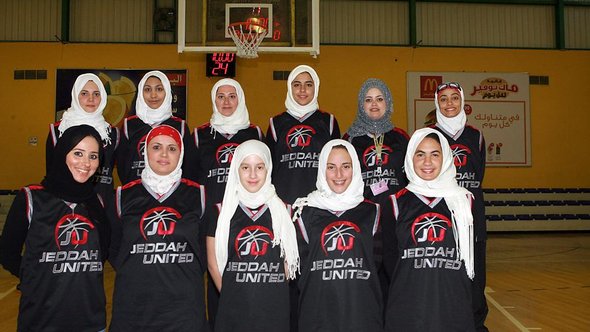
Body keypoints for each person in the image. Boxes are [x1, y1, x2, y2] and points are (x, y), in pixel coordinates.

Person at [0, 125, 109, 332]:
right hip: (41, 319)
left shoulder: (97, 203)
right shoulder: (31, 197)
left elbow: (102, 252)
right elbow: (7, 252)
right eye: (78, 153)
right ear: (61, 154)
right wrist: (35, 277)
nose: (86, 163)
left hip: (90, 320)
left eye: (93, 156)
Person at [108, 125, 207, 331]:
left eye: (172, 148)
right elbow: (112, 247)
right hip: (134, 306)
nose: (164, 154)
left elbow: (205, 249)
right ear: (145, 151)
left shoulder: (199, 194)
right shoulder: (122, 196)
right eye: (156, 147)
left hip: (184, 308)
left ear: (181, 154)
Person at [382, 128, 475, 331]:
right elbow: (389, 259)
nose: (427, 162)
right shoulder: (394, 203)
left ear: (446, 158)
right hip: (409, 305)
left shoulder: (464, 201)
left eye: (435, 154)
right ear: (410, 157)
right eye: (420, 154)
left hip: (452, 304)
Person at [188, 78, 263, 328]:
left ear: (240, 99)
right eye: (221, 96)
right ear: (213, 100)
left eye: (232, 96)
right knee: (215, 283)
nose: (226, 101)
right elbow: (191, 180)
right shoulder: (199, 135)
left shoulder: (255, 133)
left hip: (245, 219)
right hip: (210, 224)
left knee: (247, 275)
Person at [207, 139, 299, 332]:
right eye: (245, 167)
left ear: (268, 169)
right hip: (233, 309)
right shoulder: (220, 211)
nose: (252, 174)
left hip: (273, 309)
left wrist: (269, 290)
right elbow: (213, 262)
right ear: (236, 169)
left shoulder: (285, 210)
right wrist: (233, 294)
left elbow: (289, 263)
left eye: (259, 167)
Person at [292, 139, 383, 332]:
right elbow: (300, 269)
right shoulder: (303, 212)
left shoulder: (373, 212)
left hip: (362, 316)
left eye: (346, 166)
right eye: (331, 167)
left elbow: (377, 263)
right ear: (322, 170)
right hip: (317, 317)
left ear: (356, 168)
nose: (339, 174)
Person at [430, 81, 488, 331]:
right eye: (444, 99)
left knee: (475, 276)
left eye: (455, 98)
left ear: (463, 101)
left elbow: (479, 175)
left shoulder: (476, 136)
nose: (450, 103)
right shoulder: (430, 136)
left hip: (472, 218)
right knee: (446, 274)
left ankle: (476, 325)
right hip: (442, 218)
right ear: (436, 104)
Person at [265, 64, 341, 205]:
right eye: (296, 84)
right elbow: (267, 168)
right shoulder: (275, 123)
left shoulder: (328, 121)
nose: (302, 90)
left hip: (320, 203)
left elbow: (337, 165)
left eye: (308, 84)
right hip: (284, 202)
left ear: (316, 87)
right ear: (289, 87)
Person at [46, 73, 120, 203]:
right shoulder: (58, 131)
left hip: (102, 204)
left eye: (96, 94)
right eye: (84, 93)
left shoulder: (112, 133)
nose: (91, 99)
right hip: (65, 204)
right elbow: (51, 172)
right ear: (75, 95)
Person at [116, 70, 192, 185]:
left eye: (159, 89)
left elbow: (188, 166)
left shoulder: (180, 126)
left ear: (167, 92)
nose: (153, 95)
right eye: (147, 89)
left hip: (171, 193)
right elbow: (122, 165)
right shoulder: (129, 125)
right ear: (140, 93)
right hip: (135, 193)